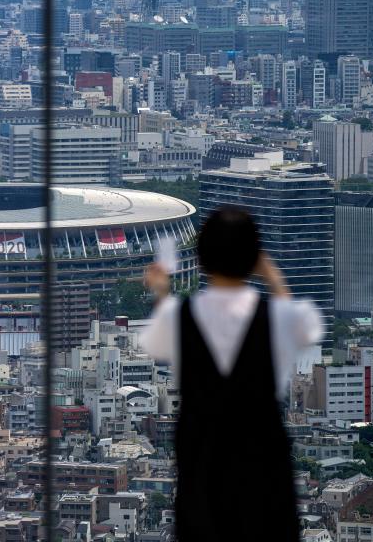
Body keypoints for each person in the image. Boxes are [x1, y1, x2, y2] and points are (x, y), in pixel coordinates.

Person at [140, 207, 322, 541]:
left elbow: (155, 343)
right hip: (263, 467)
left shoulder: (176, 318)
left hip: (202, 468)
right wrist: (271, 275)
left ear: (201, 260)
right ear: (254, 258)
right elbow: (306, 328)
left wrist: (162, 292)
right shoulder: (279, 317)